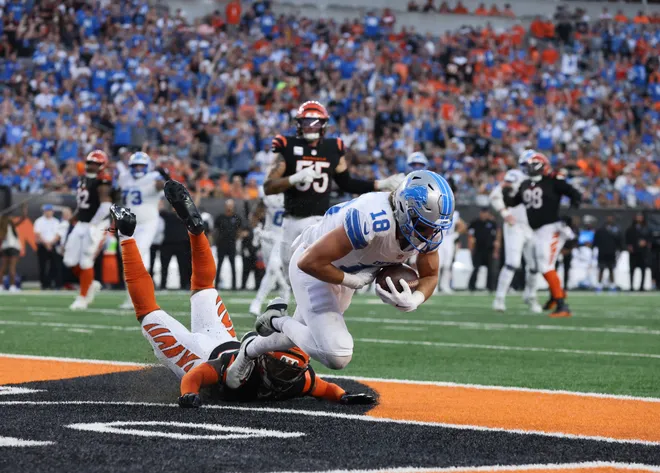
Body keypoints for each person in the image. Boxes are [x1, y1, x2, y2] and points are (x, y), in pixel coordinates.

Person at [108, 181, 373, 407]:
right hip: (206, 354)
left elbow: (324, 387)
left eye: (287, 370)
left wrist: (344, 397)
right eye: (286, 369)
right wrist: (188, 393)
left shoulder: (298, 378)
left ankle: (187, 232)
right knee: (152, 310)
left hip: (222, 342)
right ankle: (129, 236)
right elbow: (197, 376)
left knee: (195, 292)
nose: (286, 374)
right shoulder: (252, 372)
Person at [226, 170, 454, 389]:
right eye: (424, 225)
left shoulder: (425, 231)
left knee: (303, 336)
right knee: (337, 354)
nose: (429, 234)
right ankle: (276, 320)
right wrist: (353, 281)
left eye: (434, 227)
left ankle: (249, 350)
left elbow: (430, 275)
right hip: (315, 266)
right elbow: (309, 262)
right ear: (405, 210)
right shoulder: (372, 219)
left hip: (349, 270)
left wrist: (414, 300)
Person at [263, 101, 404, 277]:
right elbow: (269, 187)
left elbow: (347, 183)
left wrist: (380, 184)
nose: (311, 128)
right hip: (291, 219)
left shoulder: (332, 148)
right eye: (307, 123)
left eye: (316, 123)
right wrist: (294, 178)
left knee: (310, 270)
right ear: (299, 124)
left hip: (318, 220)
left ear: (324, 125)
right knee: (287, 273)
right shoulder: (288, 146)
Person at [505, 150, 581, 317]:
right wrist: (506, 194)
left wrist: (569, 215)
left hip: (552, 227)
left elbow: (575, 195)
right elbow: (513, 201)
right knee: (543, 265)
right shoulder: (525, 184)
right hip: (537, 230)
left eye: (527, 165)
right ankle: (556, 296)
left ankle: (562, 305)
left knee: (545, 265)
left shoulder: (553, 181)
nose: (524, 169)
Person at [116, 152, 166, 309]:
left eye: (141, 166)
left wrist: (164, 178)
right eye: (135, 165)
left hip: (147, 223)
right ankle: (132, 298)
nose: (138, 168)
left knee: (136, 256)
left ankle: (142, 298)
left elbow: (161, 185)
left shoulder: (154, 176)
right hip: (127, 223)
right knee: (128, 261)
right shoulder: (123, 178)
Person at [62, 150, 111, 310]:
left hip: (96, 225)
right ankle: (89, 283)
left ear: (101, 165)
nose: (91, 166)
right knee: (69, 259)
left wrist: (93, 223)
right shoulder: (82, 178)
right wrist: (75, 216)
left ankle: (83, 297)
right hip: (81, 223)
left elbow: (105, 206)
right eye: (90, 162)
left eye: (95, 163)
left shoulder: (103, 180)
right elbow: (84, 203)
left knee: (86, 260)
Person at [490, 169, 541, 313]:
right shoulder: (516, 176)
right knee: (512, 263)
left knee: (535, 266)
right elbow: (495, 194)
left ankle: (531, 296)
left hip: (532, 227)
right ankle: (499, 299)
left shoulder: (539, 181)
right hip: (516, 226)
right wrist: (504, 213)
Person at [249, 192, 290, 316]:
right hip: (267, 237)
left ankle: (257, 302)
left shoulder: (292, 196)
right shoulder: (270, 196)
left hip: (282, 238)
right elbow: (255, 214)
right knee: (272, 273)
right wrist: (256, 229)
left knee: (273, 269)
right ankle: (284, 297)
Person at [213, 199, 244, 290]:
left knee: (233, 265)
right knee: (219, 265)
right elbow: (215, 231)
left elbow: (239, 231)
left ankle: (234, 286)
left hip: (231, 244)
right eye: (228, 205)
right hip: (221, 244)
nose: (229, 207)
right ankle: (217, 284)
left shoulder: (237, 218)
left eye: (231, 205)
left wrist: (235, 239)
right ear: (225, 206)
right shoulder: (220, 217)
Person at [467, 207, 500, 292]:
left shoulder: (492, 223)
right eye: (483, 213)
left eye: (486, 213)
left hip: (489, 249)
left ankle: (490, 287)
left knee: (491, 270)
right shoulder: (475, 222)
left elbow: (498, 234)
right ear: (480, 213)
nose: (485, 215)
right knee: (476, 268)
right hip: (478, 249)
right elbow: (469, 234)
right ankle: (471, 287)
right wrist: (471, 247)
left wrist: (496, 250)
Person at [34, 204, 61, 290]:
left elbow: (58, 234)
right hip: (42, 246)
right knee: (43, 266)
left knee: (54, 265)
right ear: (44, 212)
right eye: (46, 211)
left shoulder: (56, 221)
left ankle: (50, 282)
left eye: (49, 211)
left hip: (53, 245)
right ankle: (44, 284)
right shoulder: (39, 221)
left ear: (52, 212)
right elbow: (38, 234)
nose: (48, 212)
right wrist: (46, 244)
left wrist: (51, 243)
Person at [0, 205, 27, 292]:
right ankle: (12, 286)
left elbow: (23, 218)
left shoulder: (4, 226)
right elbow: (23, 218)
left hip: (5, 248)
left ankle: (1, 286)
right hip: (13, 248)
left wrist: (23, 208)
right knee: (12, 268)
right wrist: (24, 208)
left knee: (3, 268)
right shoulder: (8, 225)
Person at [594, 215, 623, 291]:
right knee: (601, 268)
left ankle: (612, 284)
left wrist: (620, 249)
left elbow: (619, 241)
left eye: (611, 218)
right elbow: (596, 240)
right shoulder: (600, 230)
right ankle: (599, 284)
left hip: (611, 252)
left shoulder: (616, 230)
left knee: (611, 269)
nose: (609, 219)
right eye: (608, 218)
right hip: (602, 252)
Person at [626, 213, 651, 291]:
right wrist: (629, 246)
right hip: (633, 252)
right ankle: (631, 286)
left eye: (641, 217)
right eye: (638, 217)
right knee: (632, 270)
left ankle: (642, 286)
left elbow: (650, 239)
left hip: (643, 252)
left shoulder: (646, 229)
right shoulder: (630, 229)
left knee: (643, 270)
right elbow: (627, 239)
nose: (639, 219)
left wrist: (646, 242)